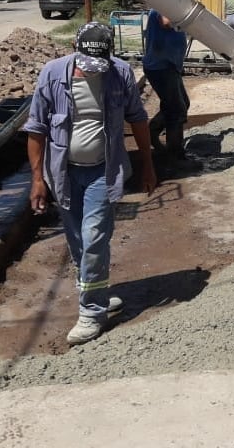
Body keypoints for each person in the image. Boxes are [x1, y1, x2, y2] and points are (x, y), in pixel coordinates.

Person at [25, 21, 157, 346]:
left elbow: (138, 118)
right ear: (75, 48)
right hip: (64, 174)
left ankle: (91, 312)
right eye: (87, 64)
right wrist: (37, 179)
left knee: (94, 237)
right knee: (78, 244)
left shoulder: (120, 74)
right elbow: (37, 127)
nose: (92, 70)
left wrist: (148, 164)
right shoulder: (52, 74)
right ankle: (97, 290)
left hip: (103, 171)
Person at [143, 0, 201, 168]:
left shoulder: (173, 8)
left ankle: (152, 130)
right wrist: (188, 15)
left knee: (182, 103)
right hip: (160, 66)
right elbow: (166, 22)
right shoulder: (163, 5)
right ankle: (176, 156)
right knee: (176, 110)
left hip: (169, 67)